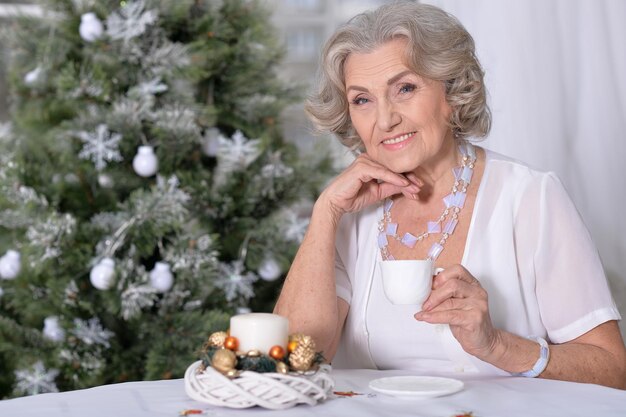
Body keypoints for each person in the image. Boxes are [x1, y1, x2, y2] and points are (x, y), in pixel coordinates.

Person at [274, 1, 626, 389]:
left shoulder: (531, 198)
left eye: (404, 88)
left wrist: (498, 346)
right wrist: (326, 212)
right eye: (362, 99)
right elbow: (296, 358)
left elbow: (613, 370)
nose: (384, 119)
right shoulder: (351, 213)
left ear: (453, 92)